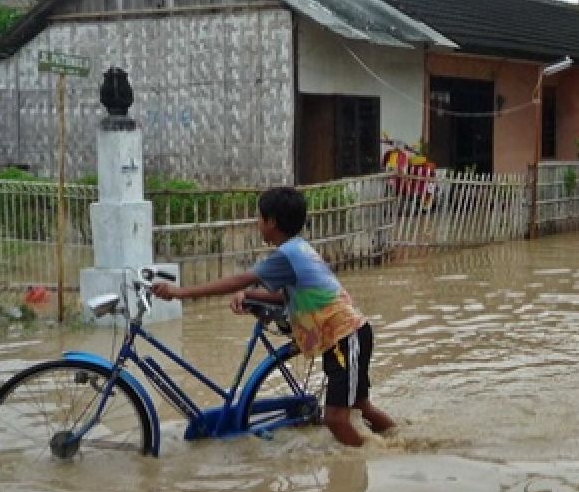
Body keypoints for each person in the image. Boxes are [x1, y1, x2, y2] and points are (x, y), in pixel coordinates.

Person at [153, 186, 397, 447]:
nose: (257, 224)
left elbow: (238, 279)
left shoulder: (287, 255)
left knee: (336, 419)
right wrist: (250, 295)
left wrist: (179, 292)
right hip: (347, 336)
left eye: (259, 218)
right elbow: (287, 296)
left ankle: (370, 458)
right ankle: (399, 439)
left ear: (271, 222)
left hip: (345, 337)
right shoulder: (297, 249)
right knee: (361, 406)